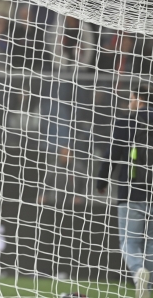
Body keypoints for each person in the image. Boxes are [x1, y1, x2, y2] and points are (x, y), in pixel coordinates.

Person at [97, 84, 153, 298]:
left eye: (131, 98)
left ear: (138, 99)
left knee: (129, 241)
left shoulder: (126, 121)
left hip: (132, 192)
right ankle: (147, 288)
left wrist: (101, 181)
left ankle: (139, 272)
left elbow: (112, 155)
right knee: (151, 243)